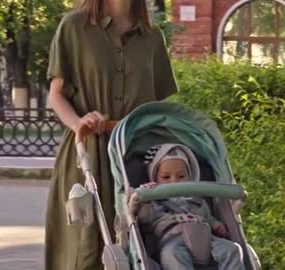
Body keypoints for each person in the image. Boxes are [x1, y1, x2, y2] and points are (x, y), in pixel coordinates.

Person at [45, 0, 178, 269]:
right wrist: (79, 123)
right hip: (87, 154)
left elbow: (160, 108)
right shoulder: (74, 26)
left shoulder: (152, 37)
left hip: (136, 155)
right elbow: (56, 96)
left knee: (139, 244)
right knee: (85, 248)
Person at [134, 144, 245, 270]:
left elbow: (207, 216)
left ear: (190, 176)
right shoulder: (155, 201)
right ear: (154, 178)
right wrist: (147, 198)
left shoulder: (196, 199)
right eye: (166, 177)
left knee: (232, 249)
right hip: (173, 239)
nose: (174, 181)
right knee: (171, 255)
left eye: (181, 176)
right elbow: (144, 218)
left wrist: (216, 224)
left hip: (206, 239)